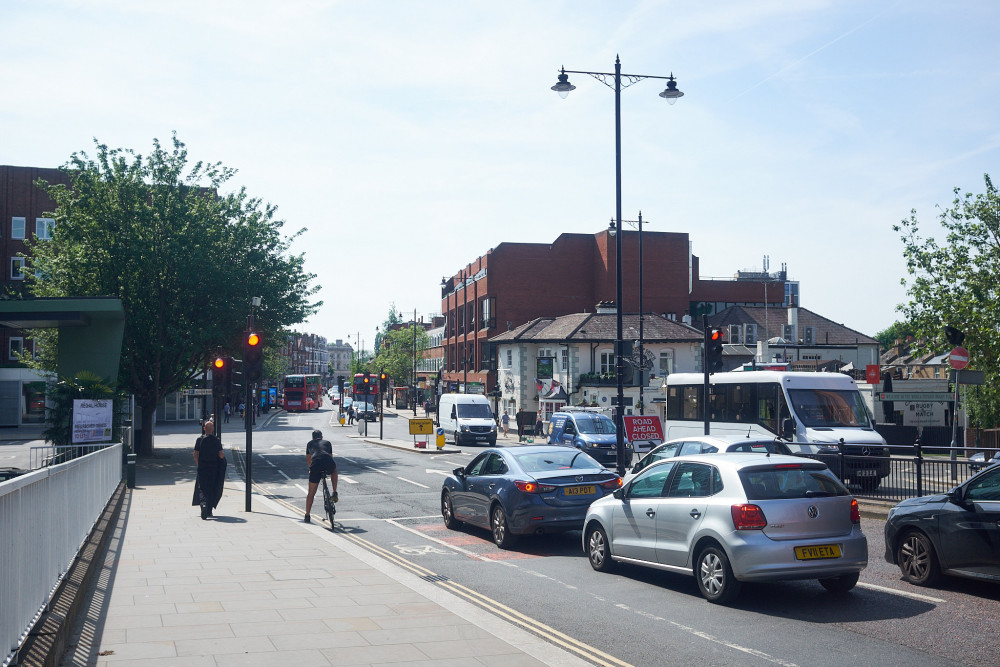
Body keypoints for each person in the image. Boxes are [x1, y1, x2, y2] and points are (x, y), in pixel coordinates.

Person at [191, 421, 226, 519]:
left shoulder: (199, 439)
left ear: (204, 429)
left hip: (203, 467)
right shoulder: (216, 440)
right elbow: (221, 455)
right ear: (213, 429)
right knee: (211, 487)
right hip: (213, 468)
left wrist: (198, 463)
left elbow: (195, 454)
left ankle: (203, 505)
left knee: (202, 488)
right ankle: (209, 510)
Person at [304, 429, 338, 523]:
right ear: (322, 437)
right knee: (334, 471)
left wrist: (311, 469)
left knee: (311, 493)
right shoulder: (327, 443)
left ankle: (307, 515)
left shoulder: (309, 444)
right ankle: (334, 491)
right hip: (327, 462)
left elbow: (308, 459)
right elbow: (330, 456)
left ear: (312, 438)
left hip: (316, 464)